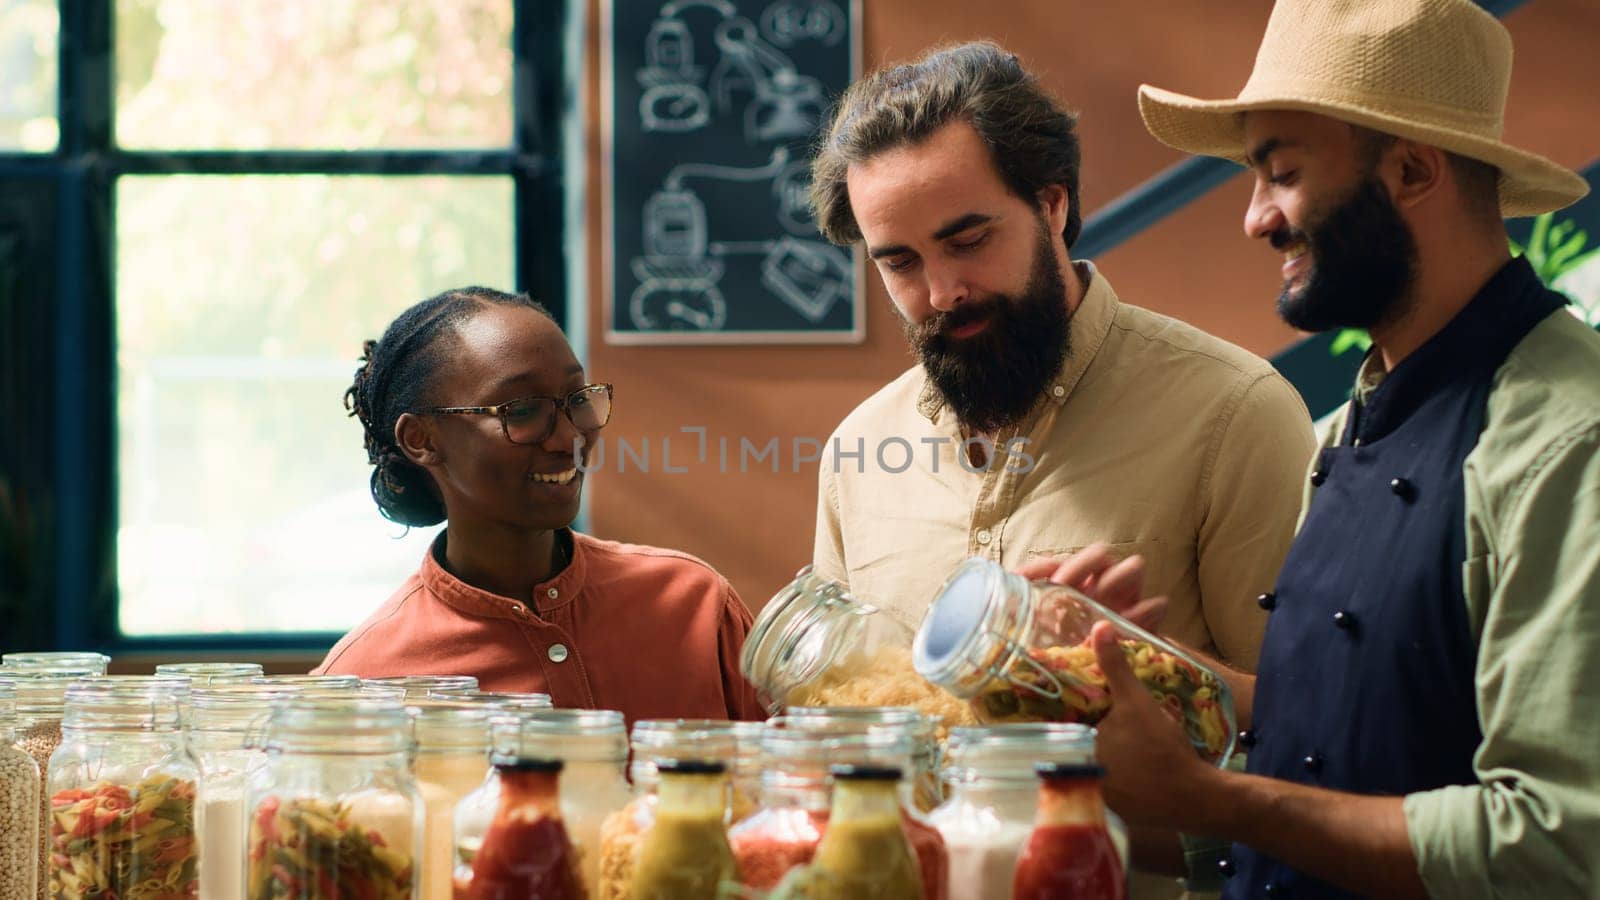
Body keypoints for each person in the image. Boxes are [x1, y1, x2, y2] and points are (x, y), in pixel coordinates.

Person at [1034, 1, 1597, 897]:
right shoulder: (1341, 431)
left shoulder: (1571, 443)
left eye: (1282, 174)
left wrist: (1218, 801)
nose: (1255, 219)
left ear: (1413, 171)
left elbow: (1560, 845)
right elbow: (1350, 709)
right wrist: (1141, 662)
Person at [807, 41, 1318, 673]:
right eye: (900, 263)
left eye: (968, 241)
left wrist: (1138, 668)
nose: (942, 292)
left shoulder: (1236, 416)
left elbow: (1306, 723)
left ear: (1053, 205)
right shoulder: (857, 451)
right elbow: (837, 706)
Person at [315, 286, 765, 723]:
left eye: (577, 400)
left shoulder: (695, 606)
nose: (570, 439)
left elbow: (794, 782)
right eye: (522, 410)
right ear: (422, 440)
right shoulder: (363, 682)